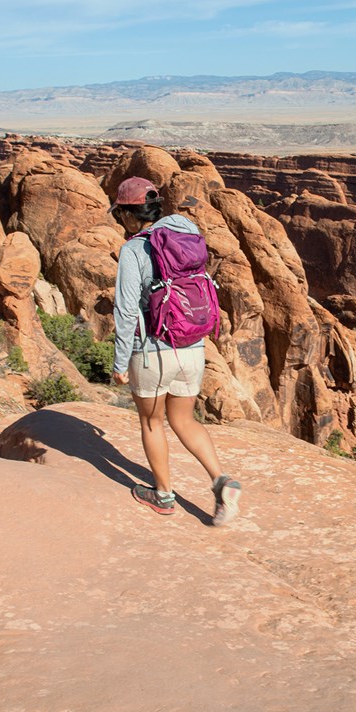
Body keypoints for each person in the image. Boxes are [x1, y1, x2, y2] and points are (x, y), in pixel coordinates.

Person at [110, 176, 243, 525]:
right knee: (184, 419)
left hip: (151, 351)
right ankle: (220, 480)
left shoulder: (133, 249)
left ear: (128, 213)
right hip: (190, 346)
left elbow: (125, 311)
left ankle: (164, 494)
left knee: (152, 423)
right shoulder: (185, 235)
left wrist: (120, 362)